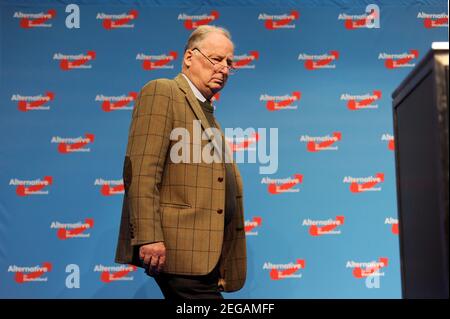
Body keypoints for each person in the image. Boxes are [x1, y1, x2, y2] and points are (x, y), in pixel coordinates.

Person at [115, 25, 246, 299]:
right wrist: (149, 236)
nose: (223, 69)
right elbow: (142, 170)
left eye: (229, 63)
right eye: (216, 59)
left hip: (206, 255)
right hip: (179, 250)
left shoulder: (207, 112)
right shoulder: (163, 92)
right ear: (189, 57)